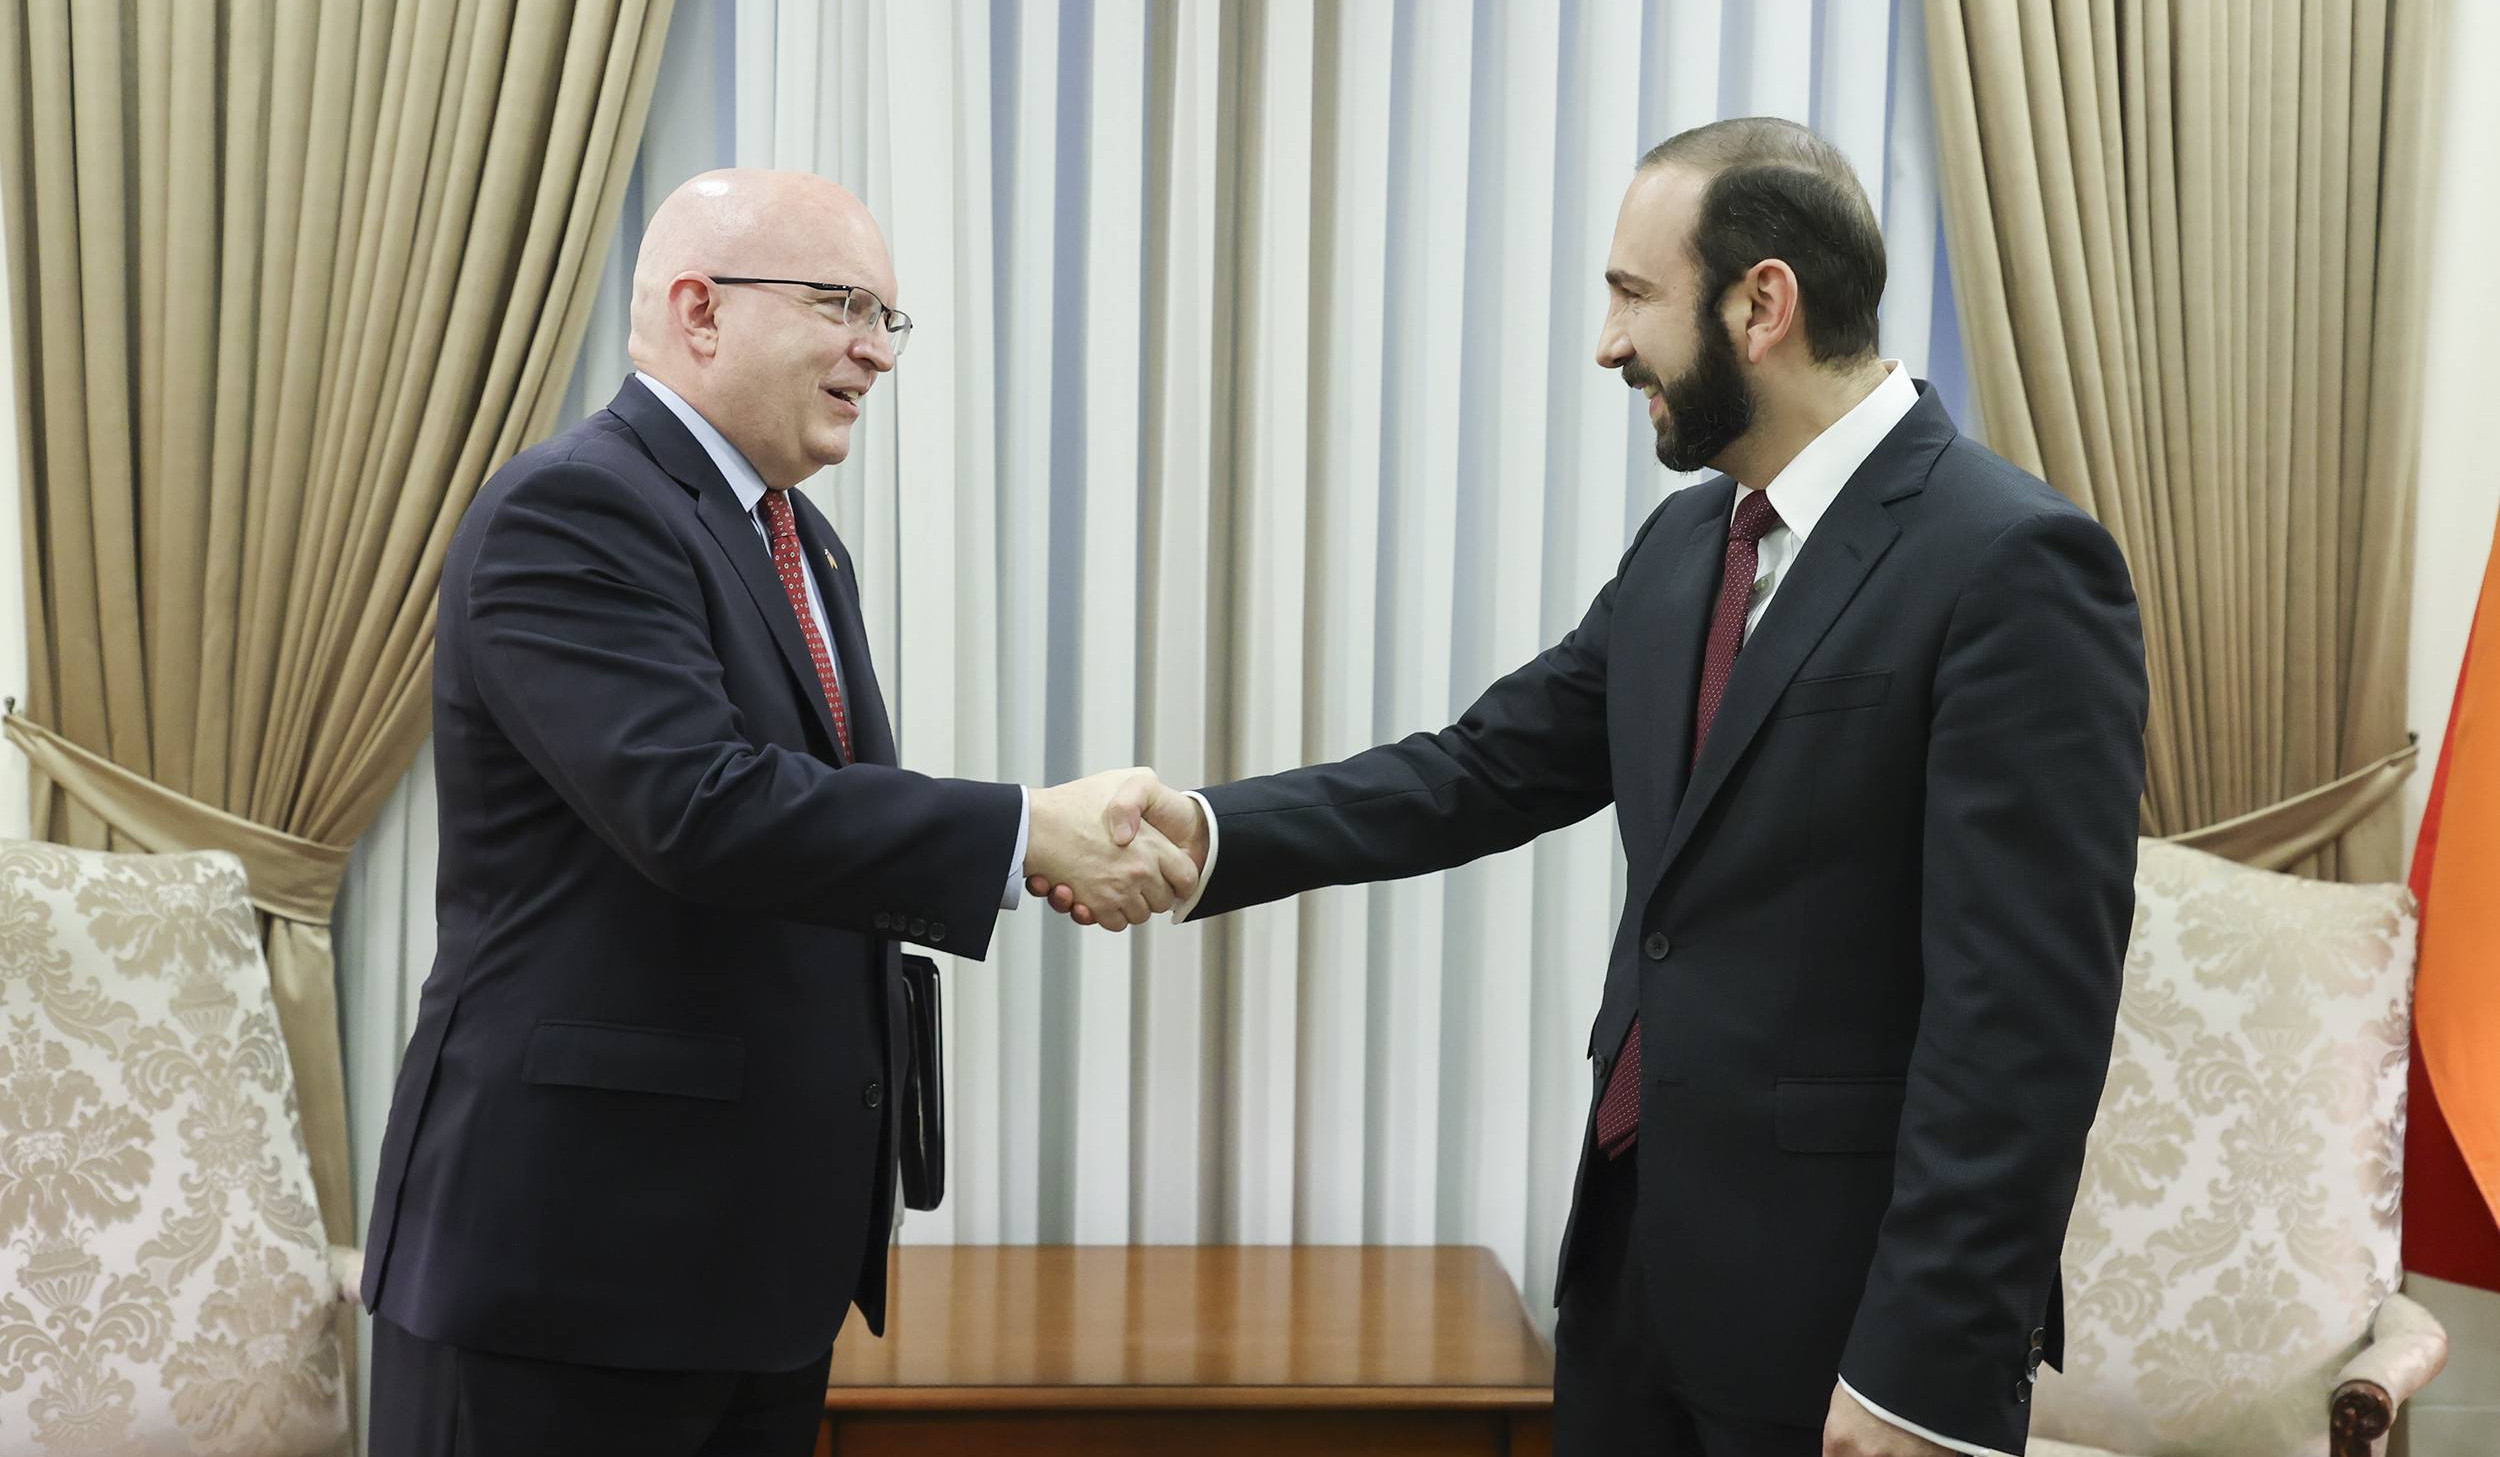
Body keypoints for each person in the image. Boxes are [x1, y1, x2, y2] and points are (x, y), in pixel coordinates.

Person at [1042, 119, 2148, 1457]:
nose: (1610, 345)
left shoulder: (2015, 564)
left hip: (1847, 1342)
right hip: (1635, 1294)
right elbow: (1480, 769)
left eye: (1633, 295)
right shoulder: (1689, 544)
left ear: (1762, 304)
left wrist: (1922, 1378)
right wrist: (1207, 831)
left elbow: (2021, 1027)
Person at [360, 169, 1196, 1457]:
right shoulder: (571, 507)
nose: (878, 351)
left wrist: (1031, 845)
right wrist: (1028, 832)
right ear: (701, 310)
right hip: (572, 1273)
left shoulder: (796, 538)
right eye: (842, 306)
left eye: (887, 318)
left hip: (747, 1272)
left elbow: (822, 827)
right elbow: (698, 807)